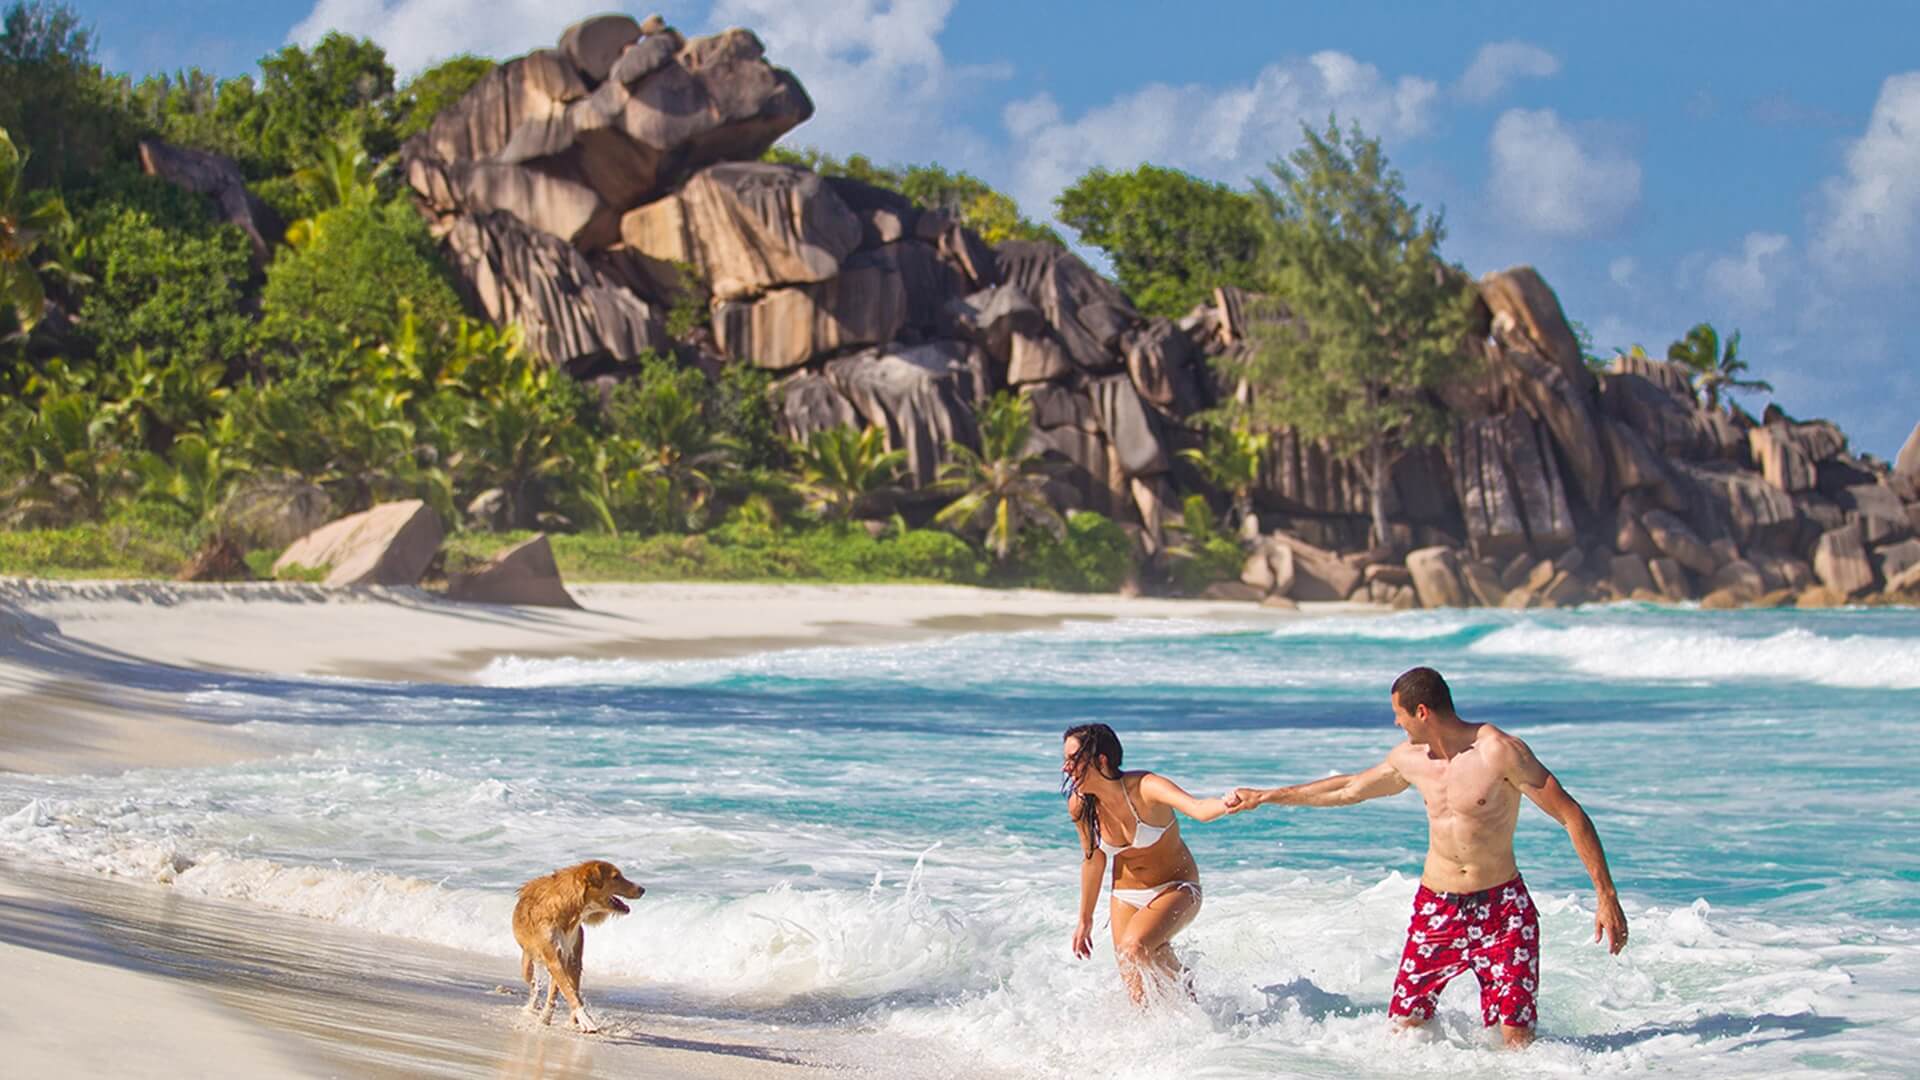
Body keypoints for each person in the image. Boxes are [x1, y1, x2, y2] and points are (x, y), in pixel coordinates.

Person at [1224, 667, 1627, 1047]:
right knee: (1405, 1029)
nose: (1396, 724)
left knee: (1517, 1039)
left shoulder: (1501, 753)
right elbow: (1349, 789)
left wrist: (1605, 895)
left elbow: (1571, 815)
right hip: (1437, 907)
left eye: (1399, 715)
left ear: (1422, 712)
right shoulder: (1410, 759)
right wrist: (1266, 796)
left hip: (1503, 912)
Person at [1061, 722, 1231, 1005]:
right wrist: (1085, 919)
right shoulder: (1080, 804)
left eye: (1072, 759)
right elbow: (1093, 859)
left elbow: (1198, 809)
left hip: (1176, 888)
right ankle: (1185, 1018)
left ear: (1101, 760)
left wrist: (1229, 802)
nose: (1065, 768)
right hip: (1125, 896)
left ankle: (1191, 1001)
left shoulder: (1146, 788)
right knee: (1138, 995)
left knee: (1134, 948)